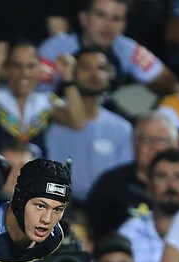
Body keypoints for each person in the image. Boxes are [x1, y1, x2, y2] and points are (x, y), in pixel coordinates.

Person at [45, 46, 134, 207]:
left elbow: (123, 180)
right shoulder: (52, 113)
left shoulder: (122, 128)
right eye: (86, 67)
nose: (94, 74)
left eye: (101, 68)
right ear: (72, 71)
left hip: (104, 209)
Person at [39, 0, 179, 97]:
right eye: (100, 15)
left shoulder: (127, 48)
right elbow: (38, 99)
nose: (108, 25)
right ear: (84, 18)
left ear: (124, 25)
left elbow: (172, 86)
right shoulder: (54, 49)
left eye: (116, 19)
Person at [84, 112, 179, 241]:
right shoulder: (110, 185)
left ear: (176, 146)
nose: (155, 148)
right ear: (134, 144)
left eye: (162, 141)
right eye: (147, 140)